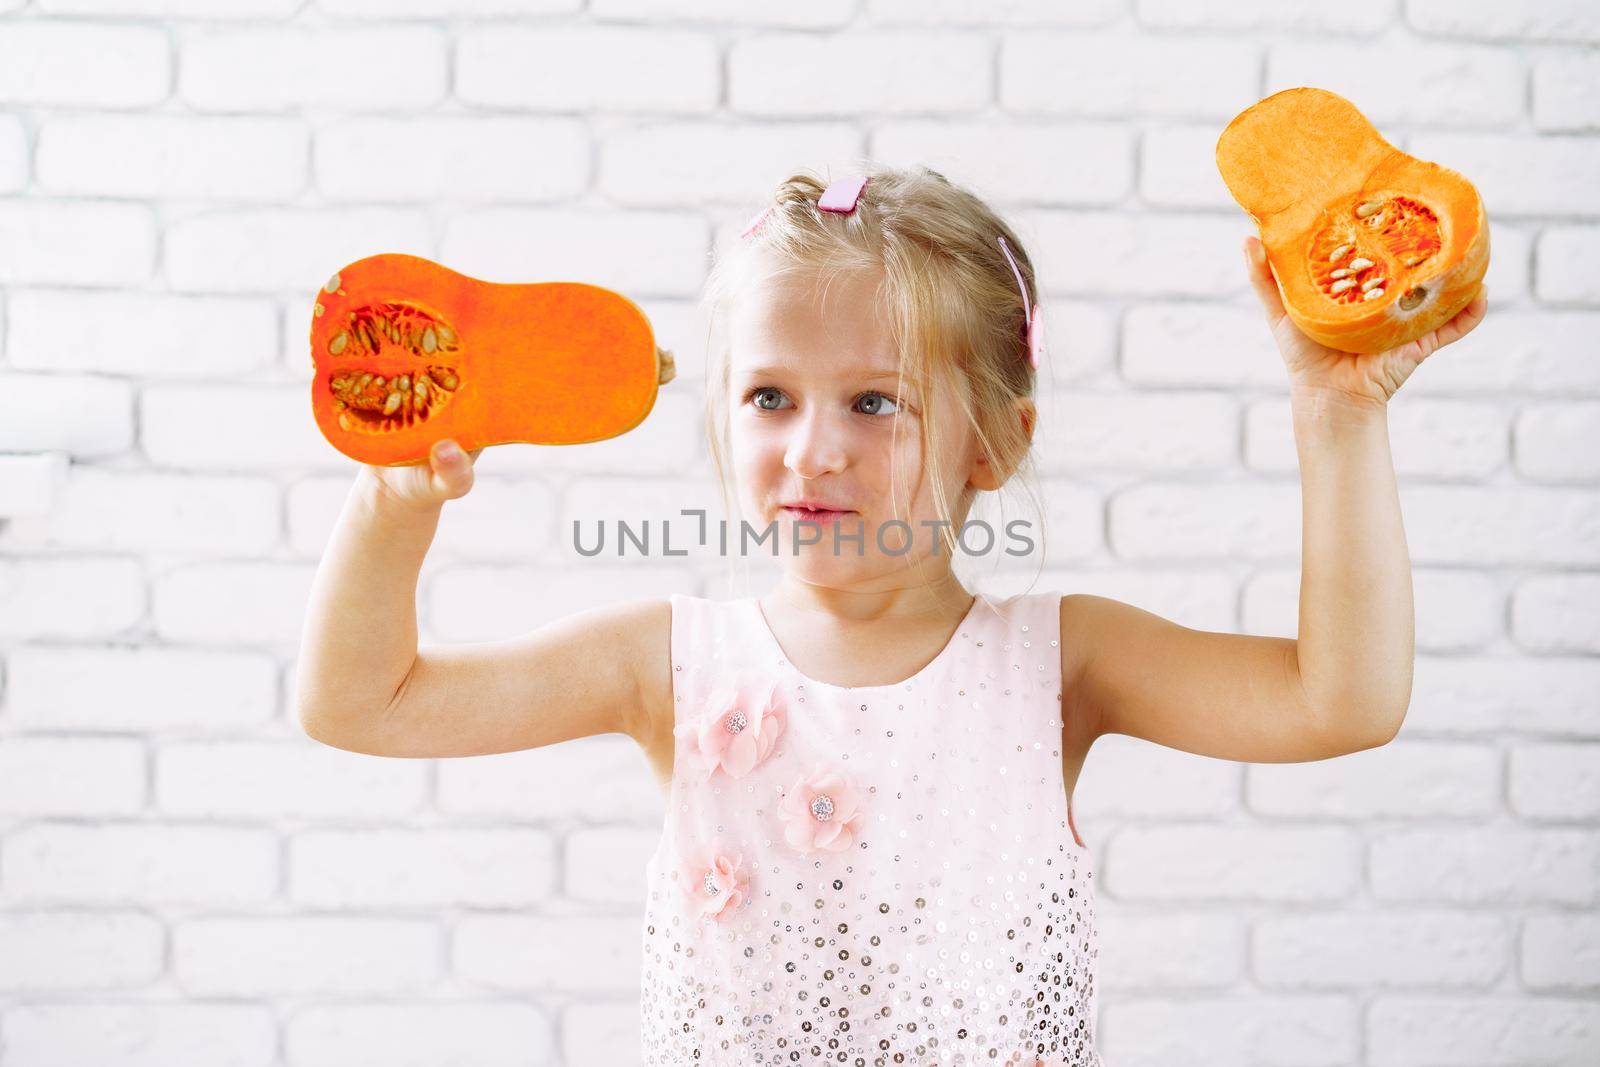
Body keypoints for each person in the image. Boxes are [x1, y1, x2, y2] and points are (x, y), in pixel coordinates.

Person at [294, 163, 1489, 1066]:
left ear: (995, 440)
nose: (813, 448)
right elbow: (360, 703)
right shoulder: (667, 662)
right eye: (770, 396)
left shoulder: (1061, 661)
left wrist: (1338, 421)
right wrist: (395, 503)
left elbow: (1342, 700)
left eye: (876, 401)